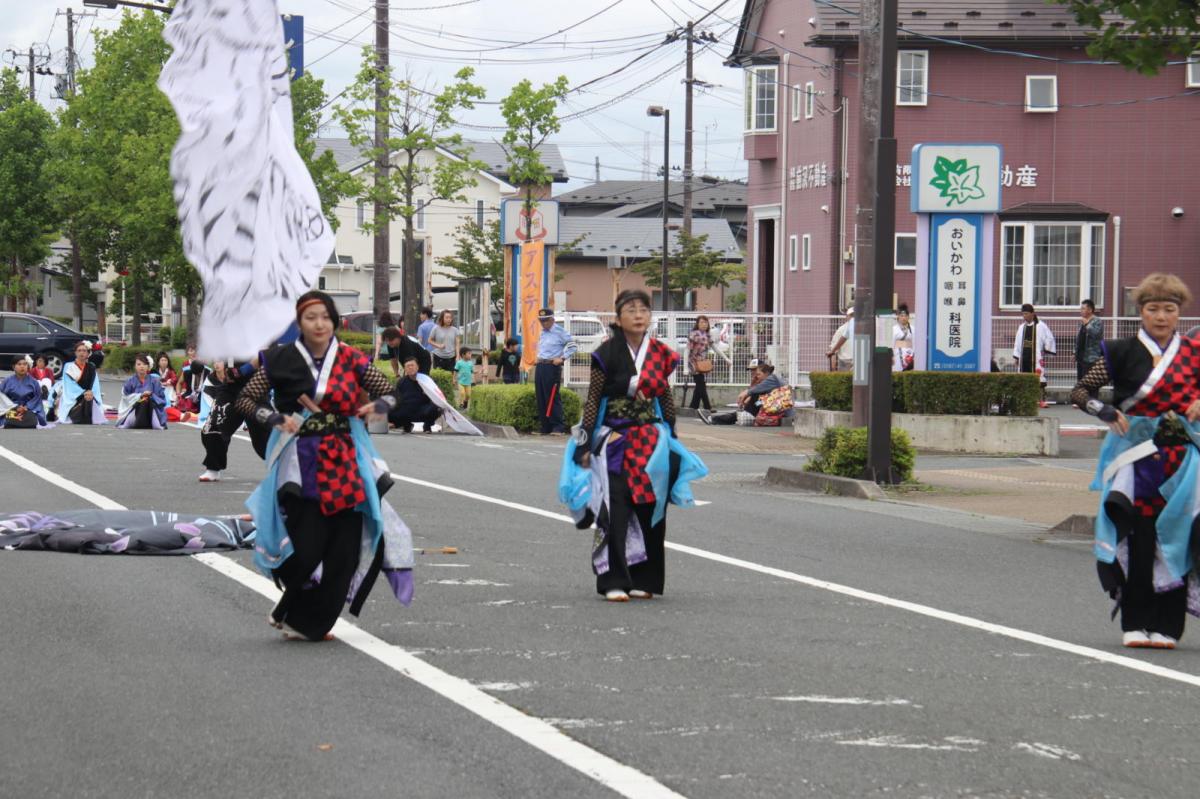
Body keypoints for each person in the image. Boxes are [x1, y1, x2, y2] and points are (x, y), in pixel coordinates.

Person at [235, 290, 413, 642]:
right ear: (300, 323)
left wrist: (380, 405)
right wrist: (272, 417)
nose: (319, 324)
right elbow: (245, 398)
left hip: (345, 459)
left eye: (325, 317)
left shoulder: (350, 358)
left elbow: (391, 390)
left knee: (344, 550)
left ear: (334, 321)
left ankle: (308, 621)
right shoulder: (280, 358)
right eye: (310, 317)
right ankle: (292, 605)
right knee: (307, 545)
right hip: (301, 463)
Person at [1071, 273, 1200, 651]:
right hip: (1134, 459)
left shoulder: (1194, 353)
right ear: (1140, 312)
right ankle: (1135, 621)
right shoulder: (1121, 350)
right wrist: (1105, 410)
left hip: (1183, 460)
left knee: (1179, 539)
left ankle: (1168, 627)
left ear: (1180, 313)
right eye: (1153, 308)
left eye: (1169, 309)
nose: (1161, 316)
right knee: (1138, 538)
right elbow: (1081, 391)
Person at [562, 289, 707, 602]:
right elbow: (593, 401)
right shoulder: (606, 353)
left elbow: (665, 397)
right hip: (615, 441)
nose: (639, 315)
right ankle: (613, 579)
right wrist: (585, 443)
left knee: (652, 507)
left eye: (644, 309)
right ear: (618, 318)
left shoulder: (661, 352)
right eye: (631, 310)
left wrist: (672, 435)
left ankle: (646, 579)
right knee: (615, 509)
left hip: (651, 441)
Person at [198, 359, 271, 482]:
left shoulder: (259, 340)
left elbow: (264, 356)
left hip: (255, 387)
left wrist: (241, 371)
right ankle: (213, 468)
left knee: (264, 434)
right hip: (229, 388)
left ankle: (283, 468)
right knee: (214, 425)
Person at [699, 360, 785, 425]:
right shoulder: (760, 380)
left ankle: (714, 419)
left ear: (765, 371)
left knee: (750, 406)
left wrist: (747, 396)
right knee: (750, 406)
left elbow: (754, 392)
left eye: (755, 371)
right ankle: (739, 414)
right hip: (768, 405)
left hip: (775, 407)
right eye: (751, 370)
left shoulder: (772, 379)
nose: (753, 373)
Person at [534, 308, 577, 435]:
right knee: (540, 396)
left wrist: (562, 358)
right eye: (541, 321)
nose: (543, 323)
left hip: (552, 367)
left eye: (545, 321)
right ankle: (545, 427)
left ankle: (558, 427)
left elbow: (572, 346)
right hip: (541, 366)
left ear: (552, 320)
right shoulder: (543, 332)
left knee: (552, 396)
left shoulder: (560, 332)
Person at [1012, 303, 1057, 406]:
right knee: (1023, 379)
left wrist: (1047, 349)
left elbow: (1049, 338)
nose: (1024, 316)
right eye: (1023, 314)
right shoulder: (1021, 327)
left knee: (1039, 379)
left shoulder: (1041, 326)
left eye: (1026, 313)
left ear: (1033, 313)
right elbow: (1017, 343)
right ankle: (1025, 400)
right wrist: (1016, 357)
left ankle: (1041, 401)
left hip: (1036, 357)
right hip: (1024, 358)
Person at [388, 357, 442, 433]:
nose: (410, 367)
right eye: (408, 366)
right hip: (406, 410)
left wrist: (428, 393)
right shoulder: (401, 382)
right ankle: (406, 425)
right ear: (405, 369)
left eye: (412, 365)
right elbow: (396, 398)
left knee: (436, 408)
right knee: (387, 410)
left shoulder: (426, 380)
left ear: (417, 367)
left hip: (423, 410)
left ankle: (427, 426)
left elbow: (439, 396)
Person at [58, 341, 106, 425]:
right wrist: (84, 392)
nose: (81, 353)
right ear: (75, 353)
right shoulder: (69, 366)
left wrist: (91, 392)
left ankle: (86, 416)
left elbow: (95, 386)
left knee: (89, 399)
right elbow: (69, 386)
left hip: (89, 395)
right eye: (79, 350)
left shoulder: (91, 367)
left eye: (84, 351)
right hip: (74, 397)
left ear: (88, 353)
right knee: (84, 399)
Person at [117, 353, 168, 429]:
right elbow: (125, 397)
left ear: (148, 367)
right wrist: (139, 396)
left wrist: (151, 396)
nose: (142, 366)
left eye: (144, 364)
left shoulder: (155, 381)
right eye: (139, 364)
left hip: (151, 408)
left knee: (147, 401)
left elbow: (162, 399)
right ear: (135, 366)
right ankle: (137, 421)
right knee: (141, 402)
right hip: (135, 409)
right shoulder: (130, 381)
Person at [0, 355, 48, 429]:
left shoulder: (34, 382)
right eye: (19, 364)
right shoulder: (6, 381)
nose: (22, 366)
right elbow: (2, 398)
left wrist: (26, 407)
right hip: (10, 409)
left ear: (28, 366)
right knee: (9, 416)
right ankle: (11, 421)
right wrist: (14, 407)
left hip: (28, 410)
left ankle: (14, 422)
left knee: (31, 419)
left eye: (25, 364)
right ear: (13, 367)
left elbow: (37, 399)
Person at [687, 315, 713, 411]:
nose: (704, 324)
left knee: (699, 385)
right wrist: (685, 367)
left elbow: (715, 348)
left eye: (705, 322)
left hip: (702, 363)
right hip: (693, 363)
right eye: (701, 322)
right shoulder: (693, 334)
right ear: (697, 324)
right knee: (701, 384)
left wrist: (726, 358)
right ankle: (707, 407)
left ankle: (693, 406)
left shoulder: (708, 335)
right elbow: (687, 349)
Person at [1076, 299, 1104, 382]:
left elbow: (1096, 335)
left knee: (1091, 383)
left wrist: (1087, 324)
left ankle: (1091, 396)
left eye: (1083, 308)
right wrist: (1075, 352)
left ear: (1090, 310)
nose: (1081, 311)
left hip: (1092, 358)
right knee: (1081, 382)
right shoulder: (1083, 321)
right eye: (1081, 308)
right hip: (1081, 357)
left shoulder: (1097, 321)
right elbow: (1079, 338)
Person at [177, 350, 212, 415]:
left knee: (201, 408)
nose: (197, 376)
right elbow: (179, 383)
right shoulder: (186, 371)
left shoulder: (209, 372)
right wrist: (178, 394)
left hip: (203, 395)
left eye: (199, 374)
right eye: (195, 374)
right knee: (182, 405)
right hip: (189, 393)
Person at [373, 312, 398, 377]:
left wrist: (376, 354)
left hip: (384, 352)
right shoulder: (395, 328)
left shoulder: (380, 329)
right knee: (394, 368)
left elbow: (379, 342)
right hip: (395, 351)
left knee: (385, 370)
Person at [893, 305, 915, 372]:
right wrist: (892, 356)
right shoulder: (894, 329)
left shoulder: (913, 329)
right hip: (897, 356)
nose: (903, 318)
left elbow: (915, 343)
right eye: (901, 316)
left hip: (909, 356)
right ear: (898, 317)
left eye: (905, 316)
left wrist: (912, 355)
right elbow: (891, 344)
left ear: (908, 317)